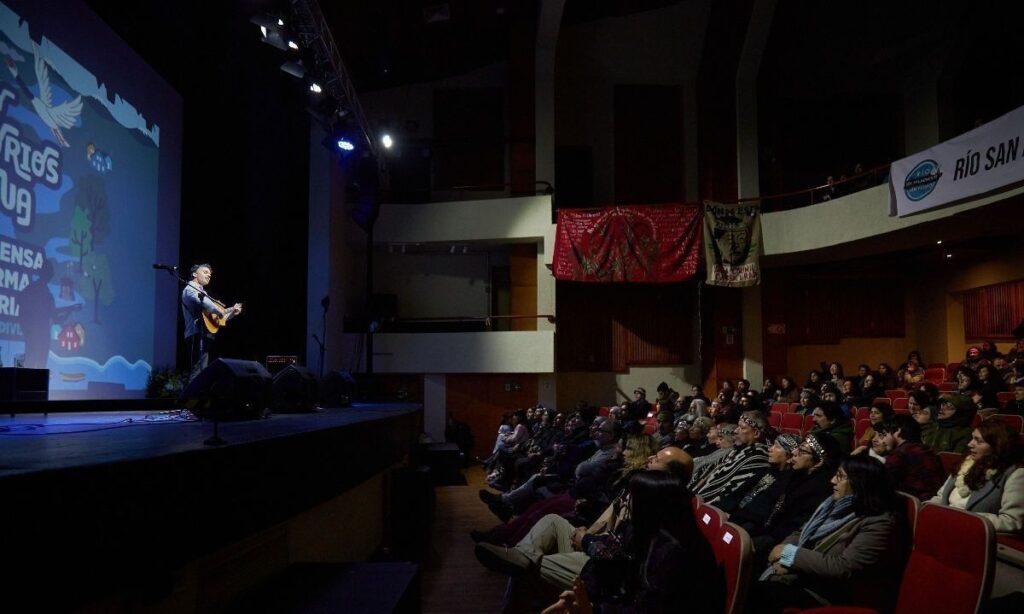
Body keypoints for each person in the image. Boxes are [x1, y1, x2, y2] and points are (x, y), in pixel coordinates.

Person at [541, 471, 723, 614]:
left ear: (648, 504)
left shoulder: (673, 553)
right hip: (614, 597)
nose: (626, 500)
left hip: (621, 604)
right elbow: (609, 559)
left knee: (531, 564)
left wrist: (594, 609)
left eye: (632, 495)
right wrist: (584, 595)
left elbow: (649, 609)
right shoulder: (643, 529)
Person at [751, 455, 907, 613]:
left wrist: (788, 555)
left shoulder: (879, 522)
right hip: (803, 574)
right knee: (750, 566)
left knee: (757, 593)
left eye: (840, 476)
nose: (832, 481)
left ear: (860, 482)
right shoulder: (834, 503)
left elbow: (843, 568)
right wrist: (782, 554)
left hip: (826, 593)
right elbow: (801, 531)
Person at [930, 420, 1024, 533]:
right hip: (946, 526)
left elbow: (1012, 521)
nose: (970, 444)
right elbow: (941, 498)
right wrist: (925, 509)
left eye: (978, 441)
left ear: (997, 445)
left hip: (974, 534)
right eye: (972, 438)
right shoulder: (966, 463)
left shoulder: (1015, 474)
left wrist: (965, 519)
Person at [181, 263, 242, 382]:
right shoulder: (190, 289)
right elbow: (211, 307)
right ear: (194, 274)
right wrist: (220, 310)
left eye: (210, 274)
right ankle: (190, 399)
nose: (209, 275)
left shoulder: (204, 294)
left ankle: (197, 397)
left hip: (205, 334)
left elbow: (216, 320)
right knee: (197, 371)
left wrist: (232, 312)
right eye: (205, 272)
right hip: (196, 334)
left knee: (202, 371)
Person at [874, 416, 945, 500]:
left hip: (912, 503)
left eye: (885, 434)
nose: (883, 440)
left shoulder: (900, 454)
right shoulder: (923, 448)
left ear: (898, 430)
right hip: (930, 501)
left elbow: (879, 482)